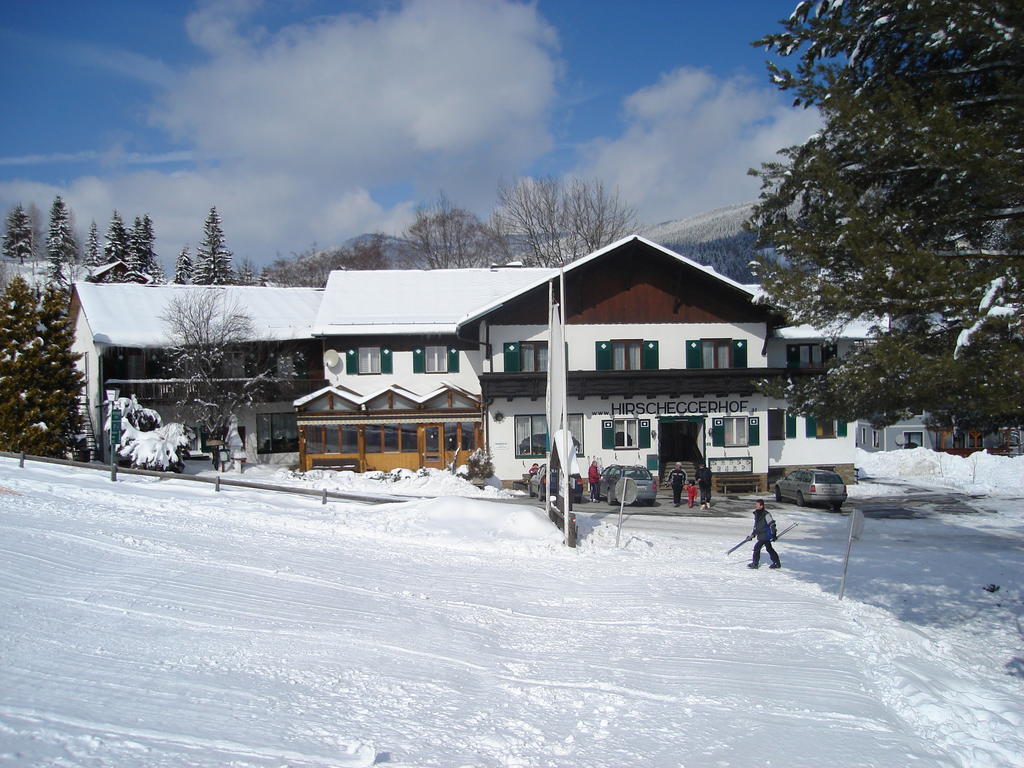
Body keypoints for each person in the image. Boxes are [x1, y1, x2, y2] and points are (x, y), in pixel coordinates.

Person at [748, 499, 781, 569]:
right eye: (755, 505)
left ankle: (755, 564)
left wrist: (774, 534)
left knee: (757, 548)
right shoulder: (757, 514)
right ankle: (777, 563)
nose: (755, 506)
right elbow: (756, 526)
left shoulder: (766, 515)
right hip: (761, 535)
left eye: (757, 505)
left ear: (761, 506)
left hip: (765, 535)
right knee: (769, 548)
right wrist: (753, 534)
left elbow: (772, 525)